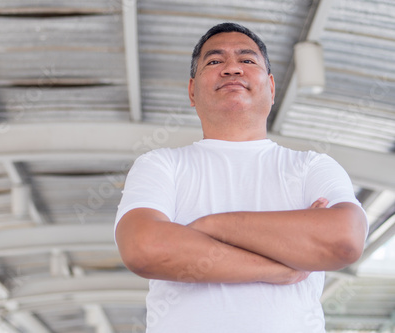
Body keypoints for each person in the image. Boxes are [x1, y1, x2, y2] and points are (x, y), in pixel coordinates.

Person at [114, 22, 367, 332]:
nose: (232, 68)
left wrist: (211, 226)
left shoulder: (311, 167)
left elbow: (345, 240)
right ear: (192, 91)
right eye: (215, 61)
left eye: (247, 60)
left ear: (271, 88)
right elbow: (144, 248)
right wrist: (278, 267)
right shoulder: (161, 164)